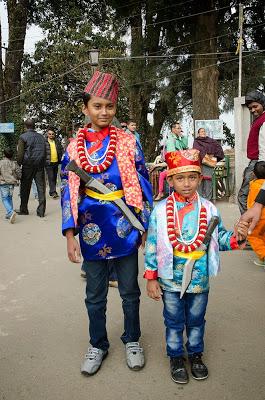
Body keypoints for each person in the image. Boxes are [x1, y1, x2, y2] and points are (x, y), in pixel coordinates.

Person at [60, 70, 153, 376]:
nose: (103, 112)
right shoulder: (74, 149)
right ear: (85, 108)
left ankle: (132, 339)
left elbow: (142, 184)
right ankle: (98, 343)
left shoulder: (127, 142)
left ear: (115, 109)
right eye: (97, 106)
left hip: (124, 228)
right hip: (89, 230)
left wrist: (144, 225)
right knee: (95, 295)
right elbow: (68, 192)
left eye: (109, 107)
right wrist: (70, 234)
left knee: (130, 291)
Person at [144, 149, 248, 384]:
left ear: (200, 178)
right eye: (180, 178)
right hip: (170, 278)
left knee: (196, 318)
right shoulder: (160, 212)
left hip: (199, 277)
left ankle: (195, 354)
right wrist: (151, 278)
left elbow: (218, 237)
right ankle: (175, 357)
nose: (187, 183)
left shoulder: (209, 209)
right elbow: (151, 246)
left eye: (192, 177)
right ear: (170, 180)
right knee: (173, 319)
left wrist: (236, 238)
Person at [238, 90, 265, 214]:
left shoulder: (263, 121)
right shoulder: (259, 120)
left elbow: (263, 146)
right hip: (254, 162)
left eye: (255, 106)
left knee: (243, 195)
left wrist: (258, 168)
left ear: (263, 104)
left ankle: (247, 223)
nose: (253, 110)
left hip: (259, 163)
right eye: (250, 108)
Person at [17, 119, 46, 217]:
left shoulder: (23, 137)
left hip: (27, 165)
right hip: (39, 165)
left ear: (26, 126)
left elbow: (20, 153)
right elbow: (45, 151)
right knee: (41, 188)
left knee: (25, 188)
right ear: (34, 126)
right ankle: (41, 212)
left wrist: (19, 163)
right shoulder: (41, 137)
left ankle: (24, 209)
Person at [155, 122, 188, 201]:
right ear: (173, 129)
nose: (180, 130)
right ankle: (164, 193)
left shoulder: (177, 139)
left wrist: (182, 137)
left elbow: (185, 146)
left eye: (180, 128)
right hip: (175, 164)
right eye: (178, 128)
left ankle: (161, 192)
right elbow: (171, 154)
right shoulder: (171, 140)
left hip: (179, 163)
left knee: (165, 175)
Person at [193, 127, 224, 201]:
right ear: (198, 133)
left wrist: (213, 156)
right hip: (200, 163)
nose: (203, 132)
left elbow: (218, 148)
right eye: (201, 131)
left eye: (204, 131)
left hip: (209, 164)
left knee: (208, 181)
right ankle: (200, 199)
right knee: (200, 181)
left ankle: (207, 199)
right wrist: (204, 155)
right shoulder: (196, 141)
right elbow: (196, 150)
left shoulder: (210, 140)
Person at [247, 161, 265, 267]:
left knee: (252, 236)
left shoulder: (253, 185)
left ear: (254, 173)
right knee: (263, 236)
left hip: (258, 218)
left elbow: (251, 204)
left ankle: (263, 255)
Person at [0, 147, 21, 223]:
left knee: (4, 199)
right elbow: (18, 172)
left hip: (3, 183)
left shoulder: (1, 162)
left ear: (4, 154)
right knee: (9, 198)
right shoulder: (13, 163)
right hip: (12, 183)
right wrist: (18, 178)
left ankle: (11, 212)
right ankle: (10, 214)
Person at [45, 127, 63, 198]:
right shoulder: (45, 142)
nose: (51, 135)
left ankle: (52, 191)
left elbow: (61, 150)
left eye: (52, 134)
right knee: (51, 177)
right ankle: (53, 192)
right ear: (47, 134)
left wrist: (62, 157)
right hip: (48, 163)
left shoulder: (57, 141)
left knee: (55, 177)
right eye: (50, 134)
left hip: (56, 162)